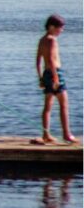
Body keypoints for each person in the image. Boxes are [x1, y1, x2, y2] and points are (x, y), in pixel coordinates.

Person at [34, 14, 77, 144]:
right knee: (64, 105)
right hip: (55, 73)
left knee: (48, 106)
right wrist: (56, 78)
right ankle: (67, 134)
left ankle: (46, 134)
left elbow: (38, 61)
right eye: (60, 28)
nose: (61, 31)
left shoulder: (42, 40)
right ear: (51, 27)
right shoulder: (52, 40)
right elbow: (52, 60)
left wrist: (41, 78)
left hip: (46, 74)